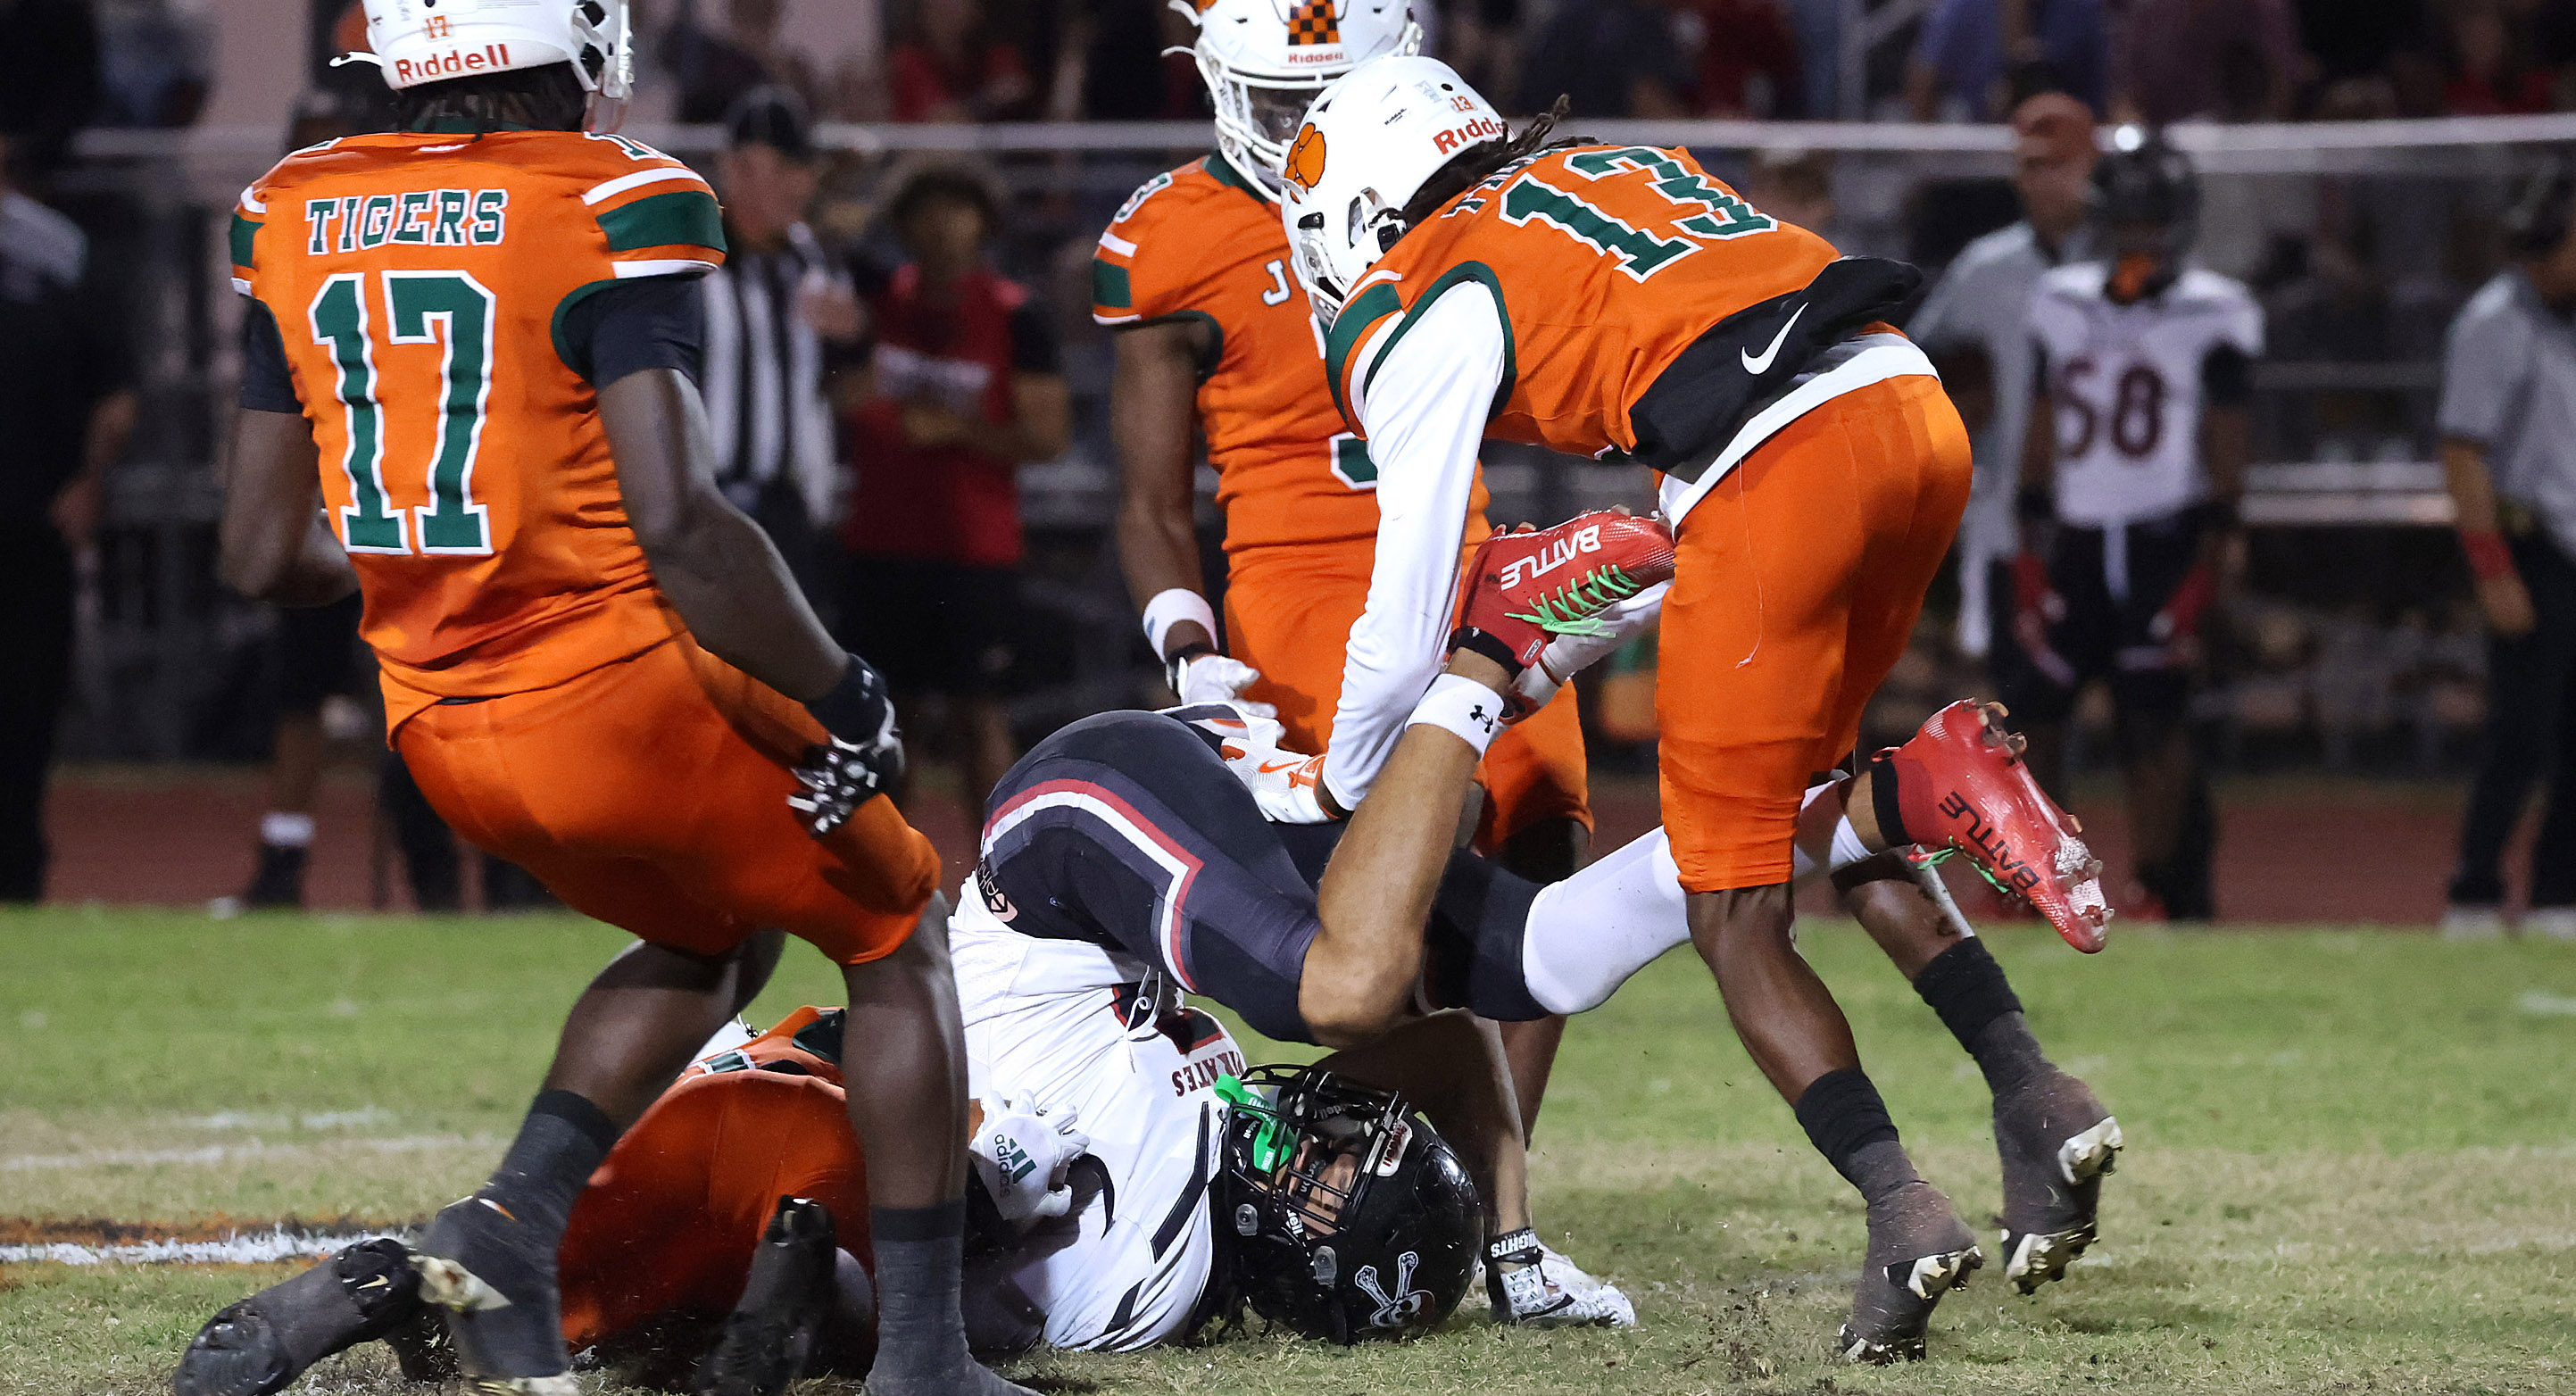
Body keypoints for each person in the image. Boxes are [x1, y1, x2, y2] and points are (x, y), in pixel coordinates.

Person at [210, 0, 1023, 1388]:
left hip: (440, 728)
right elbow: (687, 528)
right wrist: (843, 693)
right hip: (623, 701)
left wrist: (455, 543)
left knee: (718, 934)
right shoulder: (608, 197)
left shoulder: (292, 207)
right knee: (898, 931)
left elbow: (257, 551)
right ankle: (926, 1362)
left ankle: (512, 1228)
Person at [1278, 57, 2117, 1359]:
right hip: (1905, 409)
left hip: (1777, 465)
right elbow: (1712, 370)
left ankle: (1901, 1213)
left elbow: (1398, 624)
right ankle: (2033, 1092)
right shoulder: (1603, 173)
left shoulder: (1419, 283)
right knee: (1813, 811)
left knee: (1732, 910)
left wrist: (1342, 790)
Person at [173, 910, 1586, 1392]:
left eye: (1327, 1175)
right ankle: (778, 1312)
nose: (1310, 1142)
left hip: (807, 1110)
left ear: (1309, 1253)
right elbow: (1455, 1038)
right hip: (812, 1150)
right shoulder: (1176, 1242)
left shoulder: (1163, 1232)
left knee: (590, 1264)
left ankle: (393, 1278)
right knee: (629, 1293)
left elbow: (954, 1307)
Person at [1099, 0, 1589, 1139]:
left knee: (1542, 821)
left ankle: (1490, 1165)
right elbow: (1149, 499)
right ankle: (1419, 1163)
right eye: (1279, 102)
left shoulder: (1445, 181)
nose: (1303, 126)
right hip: (1302, 582)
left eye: (1327, 96)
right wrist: (1189, 644)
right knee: (1384, 872)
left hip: (1465, 554)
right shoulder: (1172, 233)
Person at [2010, 130, 2256, 923]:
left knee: (2151, 720)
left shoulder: (2215, 310)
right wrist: (2027, 524)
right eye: (2127, 221)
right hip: (2078, 536)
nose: (2138, 240)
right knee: (2037, 714)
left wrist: (2220, 542)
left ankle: (2156, 882)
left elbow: (2227, 435)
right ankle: (2040, 878)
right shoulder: (2060, 298)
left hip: (2163, 534)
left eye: (2152, 223)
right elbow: (2042, 417)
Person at [842, 166, 1070, 813]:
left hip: (974, 549)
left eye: (958, 210)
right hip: (881, 539)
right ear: (905, 223)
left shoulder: (1015, 314)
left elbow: (1048, 435)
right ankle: (895, 886)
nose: (943, 227)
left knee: (979, 715)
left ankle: (1004, 886)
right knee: (889, 717)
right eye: (927, 211)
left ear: (984, 223)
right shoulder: (876, 299)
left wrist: (957, 428)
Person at [1910, 91, 2098, 662]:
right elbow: (1914, 364)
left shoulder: (2125, 263)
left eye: (2058, 163)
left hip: (2109, 503)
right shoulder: (1985, 268)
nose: (2043, 180)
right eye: (2032, 165)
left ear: (2090, 162)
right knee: (2015, 693)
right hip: (2010, 509)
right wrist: (1960, 403)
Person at [2439, 166, 2576, 940]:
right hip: (2532, 548)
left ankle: (2561, 894)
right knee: (2521, 734)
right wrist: (2493, 570)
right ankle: (2474, 891)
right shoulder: (2497, 322)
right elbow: (2463, 454)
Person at [0, 130, 137, 902]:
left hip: (31, 517)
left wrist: (89, 478)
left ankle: (18, 876)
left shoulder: (55, 252)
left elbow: (114, 382)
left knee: (26, 703)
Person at [699, 87, 860, 607]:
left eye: (803, 168)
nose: (801, 184)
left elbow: (856, 389)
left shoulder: (820, 266)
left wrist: (857, 340)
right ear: (735, 168)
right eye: (783, 168)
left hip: (790, 508)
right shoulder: (686, 263)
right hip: (703, 503)